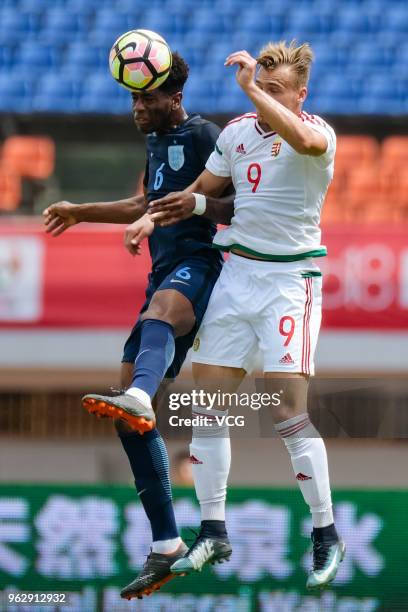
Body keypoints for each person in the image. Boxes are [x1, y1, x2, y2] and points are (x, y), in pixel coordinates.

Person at [148, 41, 345, 591]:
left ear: (300, 94)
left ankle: (326, 532)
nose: (265, 97)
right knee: (208, 402)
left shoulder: (318, 133)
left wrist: (254, 89)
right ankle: (213, 528)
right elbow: (201, 193)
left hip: (290, 282)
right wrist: (155, 217)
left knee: (285, 407)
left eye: (278, 89)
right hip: (238, 275)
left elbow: (302, 140)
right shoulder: (236, 134)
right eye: (263, 85)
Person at [43, 52, 234, 600]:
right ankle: (168, 542)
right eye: (132, 98)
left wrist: (196, 203)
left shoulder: (206, 136)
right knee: (124, 410)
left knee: (154, 335)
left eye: (146, 98)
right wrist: (82, 211)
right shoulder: (153, 143)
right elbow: (141, 203)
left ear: (173, 97)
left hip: (200, 263)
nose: (137, 108)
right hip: (162, 270)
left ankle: (144, 397)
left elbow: (234, 206)